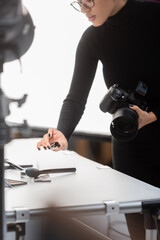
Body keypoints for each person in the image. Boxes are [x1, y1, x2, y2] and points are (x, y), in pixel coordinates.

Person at [37, 0, 160, 239]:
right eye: (78, 3)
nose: (84, 9)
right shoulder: (92, 38)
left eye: (88, 1)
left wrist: (154, 115)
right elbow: (75, 98)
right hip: (129, 144)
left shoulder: (154, 16)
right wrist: (63, 133)